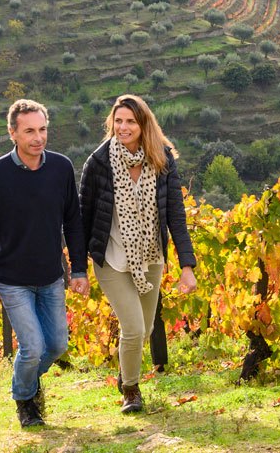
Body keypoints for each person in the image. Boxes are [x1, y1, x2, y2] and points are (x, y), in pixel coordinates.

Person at [0, 99, 90, 428]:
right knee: (32, 347)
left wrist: (78, 269)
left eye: (43, 129)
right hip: (11, 280)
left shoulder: (61, 167)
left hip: (52, 277)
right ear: (13, 134)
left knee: (57, 345)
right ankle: (26, 400)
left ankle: (27, 385)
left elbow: (73, 223)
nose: (38, 137)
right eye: (30, 131)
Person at [80, 94, 197, 414]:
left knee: (144, 330)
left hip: (150, 257)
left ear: (144, 124)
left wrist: (187, 265)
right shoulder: (99, 163)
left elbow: (176, 216)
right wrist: (78, 267)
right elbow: (83, 216)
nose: (123, 127)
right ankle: (130, 390)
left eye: (130, 121)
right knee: (132, 329)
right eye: (118, 121)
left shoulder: (163, 159)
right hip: (111, 259)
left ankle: (125, 372)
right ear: (111, 123)